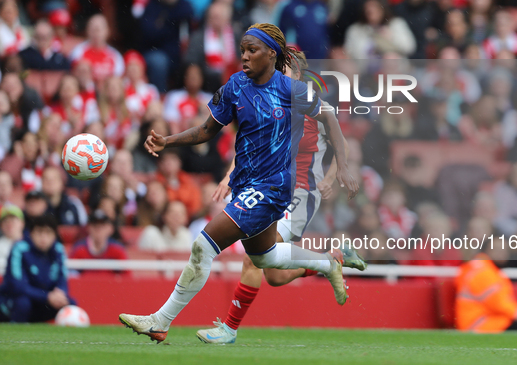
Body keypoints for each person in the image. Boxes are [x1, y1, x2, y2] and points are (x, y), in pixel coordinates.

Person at [119, 23, 359, 343]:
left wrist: (342, 165)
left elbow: (329, 116)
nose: (244, 56)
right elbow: (207, 130)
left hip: (274, 188)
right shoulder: (235, 86)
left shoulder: (292, 91)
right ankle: (328, 263)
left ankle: (160, 321)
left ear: (272, 54)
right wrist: (168, 142)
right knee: (266, 259)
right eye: (242, 49)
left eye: (252, 50)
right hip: (248, 186)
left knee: (203, 246)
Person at [196, 51, 365, 344]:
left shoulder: (313, 107)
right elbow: (250, 149)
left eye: (282, 70)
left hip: (300, 192)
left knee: (253, 261)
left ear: (297, 74)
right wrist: (227, 177)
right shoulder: (268, 104)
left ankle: (228, 330)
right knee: (272, 275)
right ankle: (331, 260)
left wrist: (330, 177)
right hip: (268, 187)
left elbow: (343, 146)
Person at [455, 238, 517, 333]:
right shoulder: (484, 272)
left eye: (504, 250)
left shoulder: (483, 268)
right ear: (486, 251)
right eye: (496, 249)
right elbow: (499, 303)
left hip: (482, 320)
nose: (501, 253)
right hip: (479, 324)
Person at [0, 215, 75, 323]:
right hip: (12, 302)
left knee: (70, 304)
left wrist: (60, 293)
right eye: (39, 232)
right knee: (23, 303)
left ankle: (68, 338)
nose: (43, 237)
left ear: (54, 235)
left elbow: (62, 279)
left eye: (48, 233)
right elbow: (18, 286)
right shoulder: (20, 248)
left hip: (42, 302)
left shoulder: (58, 250)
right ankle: (16, 332)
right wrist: (47, 296)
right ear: (31, 234)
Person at [69, 209, 129, 276]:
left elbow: (127, 277)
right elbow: (70, 276)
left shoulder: (117, 250)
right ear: (88, 228)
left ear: (111, 229)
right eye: (95, 225)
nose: (98, 229)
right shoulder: (79, 249)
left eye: (102, 225)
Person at [0, 205, 25, 275]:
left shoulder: (31, 243)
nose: (9, 224)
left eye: (13, 220)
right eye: (5, 221)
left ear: (22, 223)